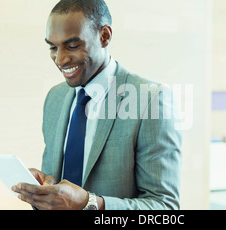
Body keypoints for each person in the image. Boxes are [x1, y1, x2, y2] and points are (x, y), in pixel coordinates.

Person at [11, 0, 182, 210]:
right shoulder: (54, 98)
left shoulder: (150, 99)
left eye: (72, 46)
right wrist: (44, 189)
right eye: (53, 47)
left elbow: (165, 208)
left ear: (105, 36)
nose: (60, 59)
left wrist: (88, 203)